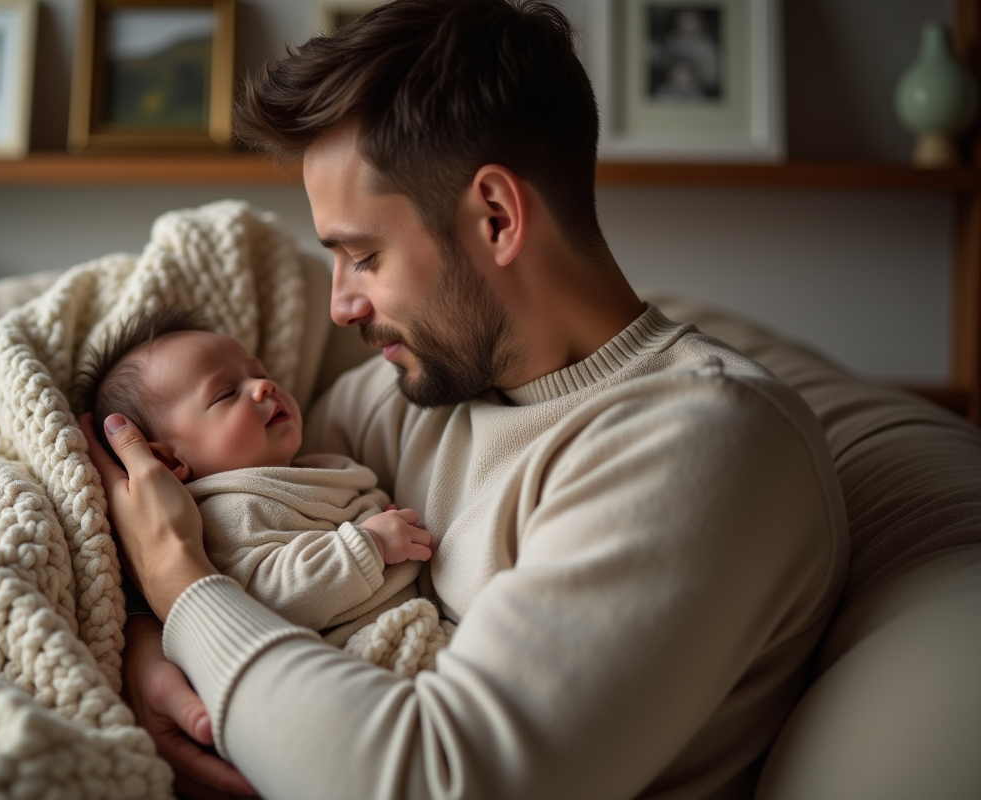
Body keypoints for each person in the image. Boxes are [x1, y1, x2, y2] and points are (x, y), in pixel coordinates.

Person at [81, 1, 849, 798]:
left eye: (364, 256)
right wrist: (142, 642)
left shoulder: (698, 442)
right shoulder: (403, 397)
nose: (341, 305)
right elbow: (239, 526)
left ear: (496, 217)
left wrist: (178, 585)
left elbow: (437, 779)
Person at [72, 307, 435, 645]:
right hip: (359, 648)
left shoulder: (324, 463)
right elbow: (271, 600)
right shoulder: (227, 510)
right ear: (167, 460)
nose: (264, 387)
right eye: (226, 393)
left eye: (260, 374)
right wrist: (370, 544)